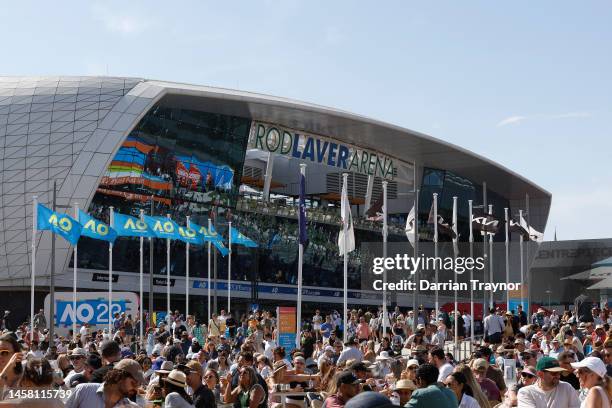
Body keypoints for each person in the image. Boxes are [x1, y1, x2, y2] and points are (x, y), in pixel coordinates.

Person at [66, 359, 144, 407]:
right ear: (119, 377)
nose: (136, 389)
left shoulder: (130, 406)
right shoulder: (84, 391)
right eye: (133, 383)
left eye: (138, 385)